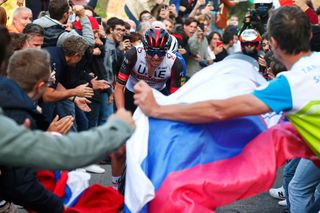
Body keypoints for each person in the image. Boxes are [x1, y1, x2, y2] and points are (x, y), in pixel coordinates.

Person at [134, 6, 320, 212]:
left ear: (273, 43)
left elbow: (219, 110)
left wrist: (158, 109)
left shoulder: (288, 85)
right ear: (310, 34)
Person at [0, 25, 135, 170]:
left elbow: (55, 85)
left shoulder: (14, 104)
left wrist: (73, 98)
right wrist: (118, 128)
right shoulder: (15, 113)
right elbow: (61, 153)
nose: (37, 51)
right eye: (34, 46)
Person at [113, 26, 182, 189]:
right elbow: (118, 88)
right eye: (151, 52)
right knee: (119, 149)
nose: (156, 57)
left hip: (157, 97)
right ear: (144, 49)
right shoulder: (133, 54)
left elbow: (174, 99)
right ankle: (114, 188)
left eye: (161, 53)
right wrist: (122, 113)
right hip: (131, 94)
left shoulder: (175, 63)